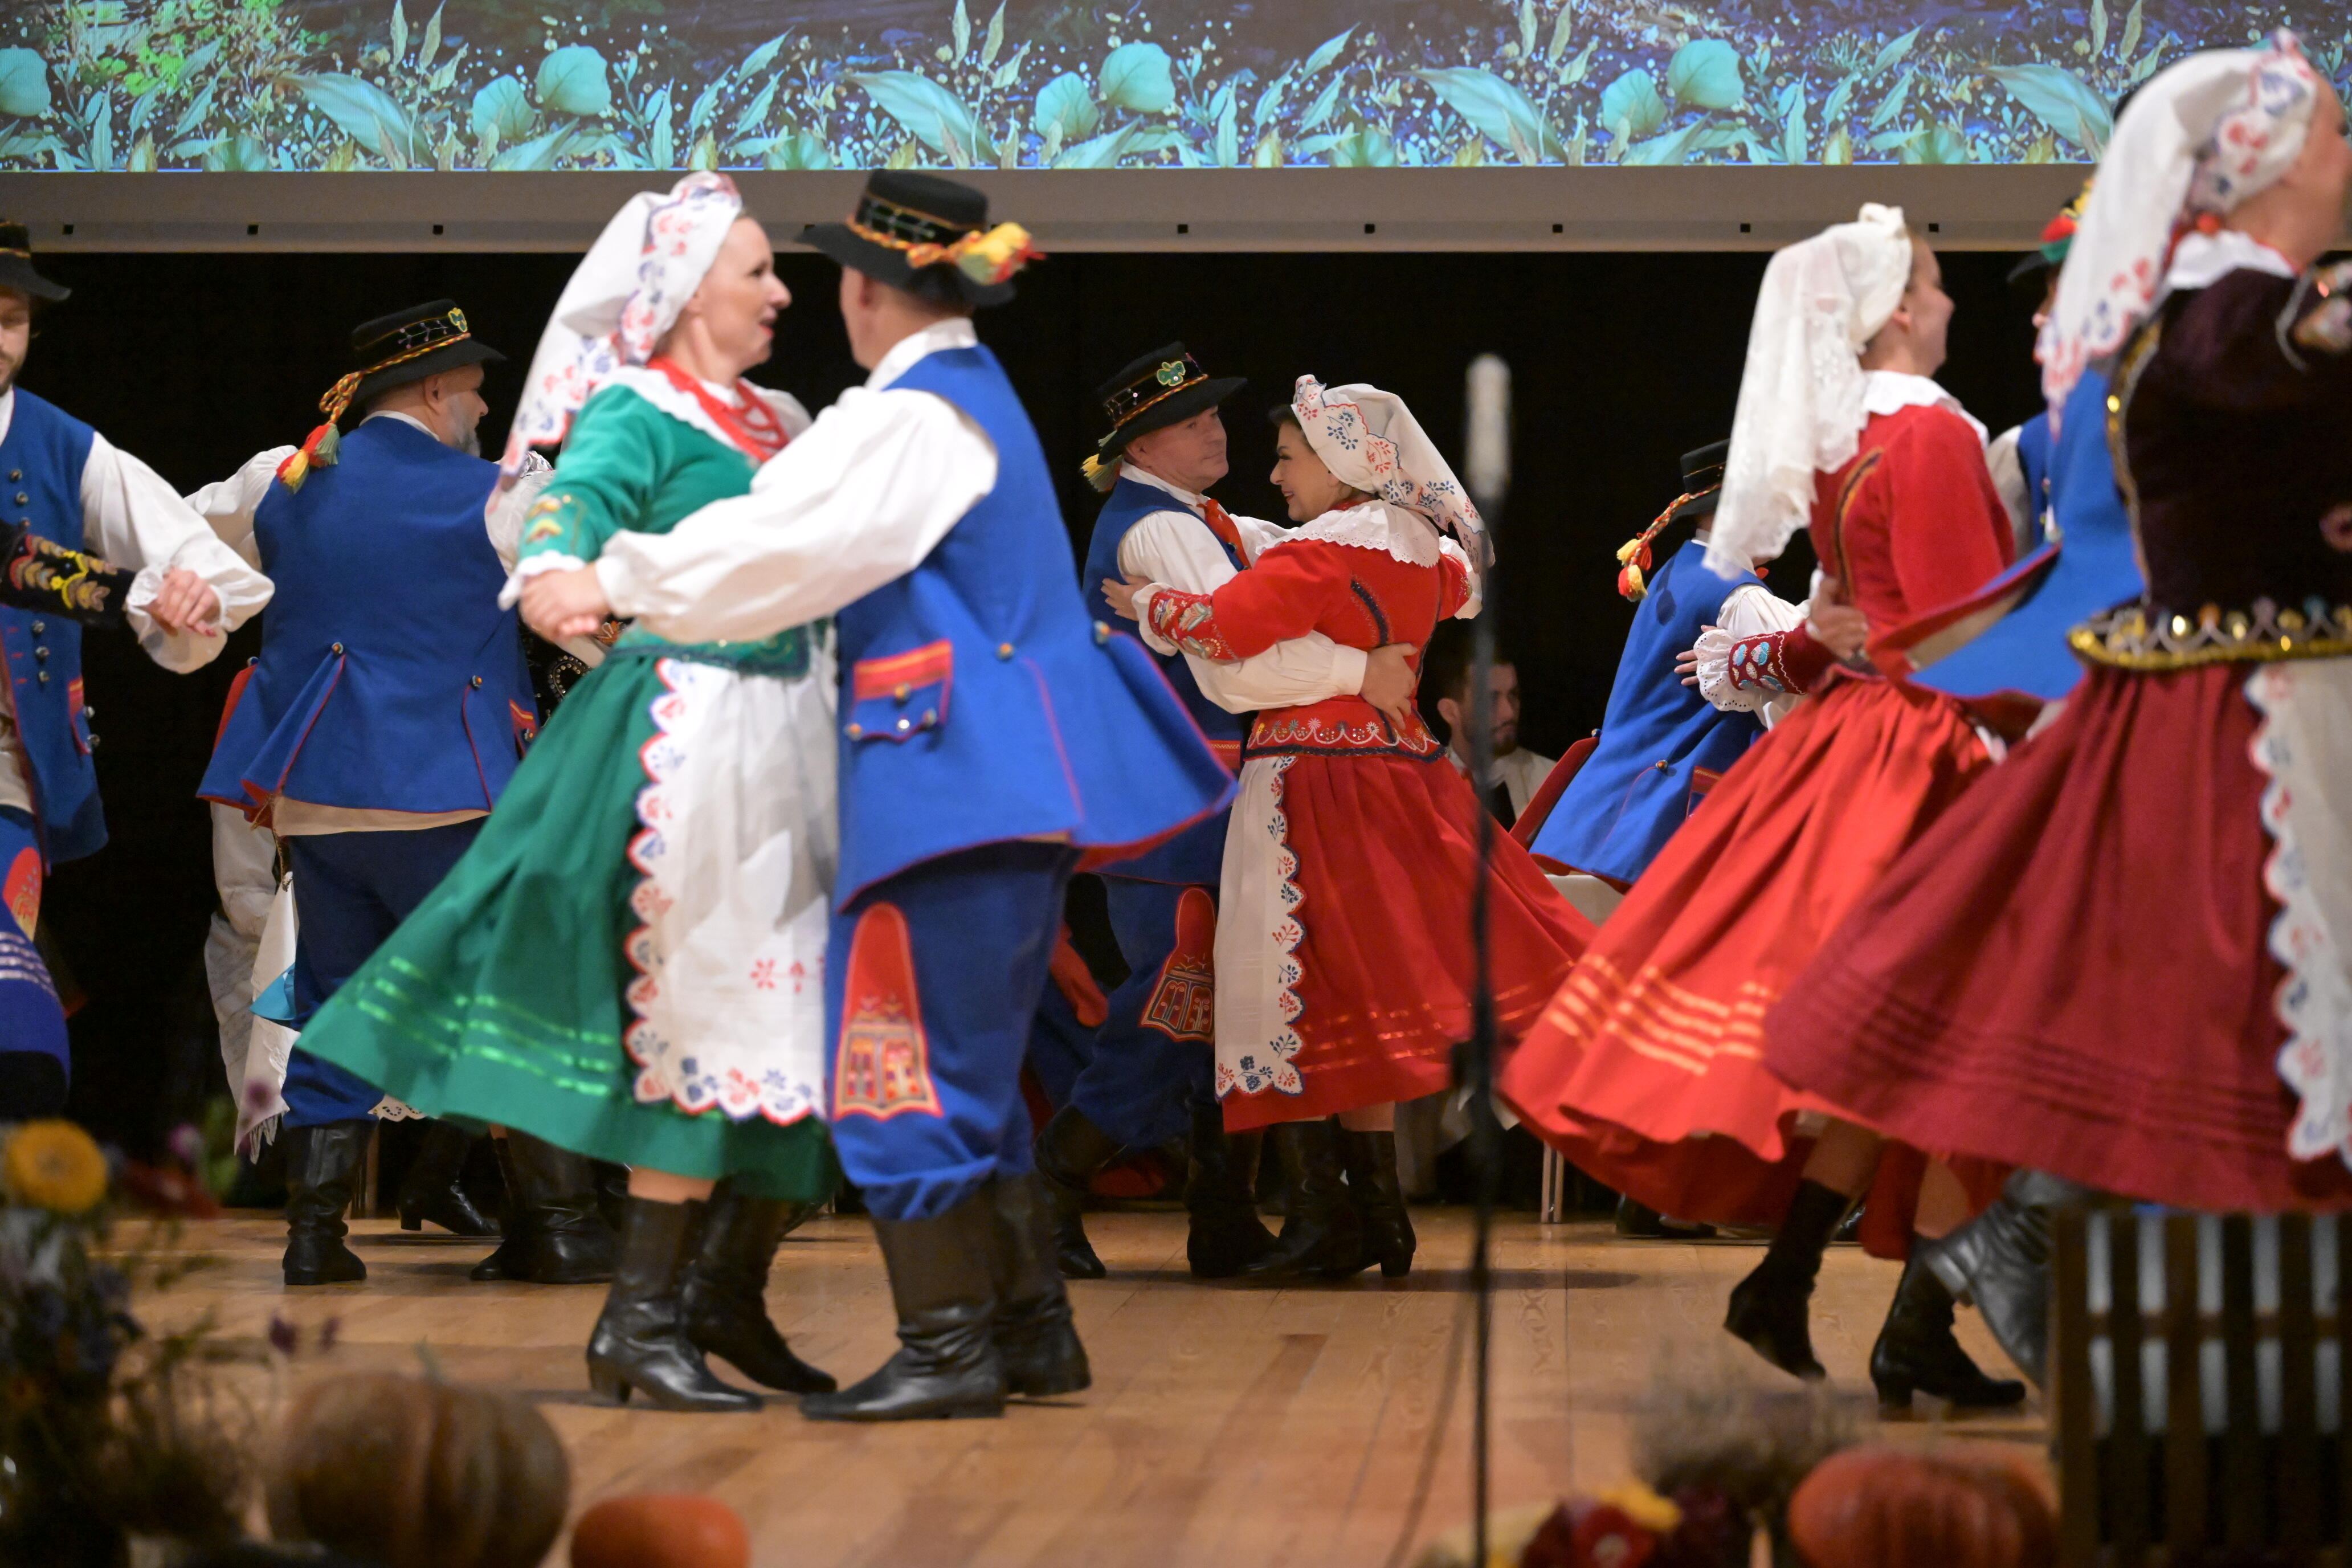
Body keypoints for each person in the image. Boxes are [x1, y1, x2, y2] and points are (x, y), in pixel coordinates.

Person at [519, 171, 1236, 1420]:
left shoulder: (912, 416)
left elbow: (786, 549)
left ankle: (947, 1347)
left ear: (866, 288)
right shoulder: (962, 397)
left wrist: (607, 577)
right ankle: (1029, 1329)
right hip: (992, 787)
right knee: (970, 1068)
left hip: (945, 789)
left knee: (897, 1068)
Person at [1769, 35, 2352, 1388]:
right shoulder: (2242, 329)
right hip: (2232, 715)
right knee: (2204, 1020)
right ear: (2260, 164)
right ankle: (2097, 1318)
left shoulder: (2195, 330)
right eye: (2332, 131)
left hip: (2168, 695)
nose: (2346, 154)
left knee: (2179, 1018)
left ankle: (2004, 1277)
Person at [296, 174, 838, 1412]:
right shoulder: (637, 410)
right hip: (688, 731)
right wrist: (556, 576)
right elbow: (570, 514)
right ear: (685, 294)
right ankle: (642, 1317)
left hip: (788, 730)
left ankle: (716, 1294)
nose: (779, 291)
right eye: (755, 269)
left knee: (792, 1035)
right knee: (704, 1020)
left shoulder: (781, 418)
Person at [1499, 205, 2028, 1413]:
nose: (1952, 301)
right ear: (1900, 309)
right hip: (1924, 747)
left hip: (1853, 744)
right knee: (1971, 1042)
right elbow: (1960, 632)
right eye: (1937, 282)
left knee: (1897, 1044)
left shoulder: (1847, 443)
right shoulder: (1933, 433)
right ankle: (1906, 1317)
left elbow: (1826, 629)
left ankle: (1796, 1283)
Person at [1105, 376, 1592, 1281]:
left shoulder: (1318, 556)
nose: (1276, 475)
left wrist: (1149, 606)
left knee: (1283, 988)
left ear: (1338, 464)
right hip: (1400, 775)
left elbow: (1226, 630)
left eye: (1289, 458)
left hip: (1308, 777)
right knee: (1364, 996)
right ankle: (1380, 1216)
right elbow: (1463, 577)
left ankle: (1324, 1219)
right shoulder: (1420, 551)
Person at [190, 301, 616, 1288]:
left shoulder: (278, 481)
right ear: (432, 389)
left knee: (336, 1002)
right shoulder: (503, 494)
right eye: (474, 389)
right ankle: (556, 1226)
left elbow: (178, 545)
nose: (484, 409)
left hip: (318, 796)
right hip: (446, 792)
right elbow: (588, 622)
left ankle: (314, 1236)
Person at [1036, 343, 1418, 1280]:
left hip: (1200, 797)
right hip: (1169, 805)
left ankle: (1222, 1213)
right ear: (1140, 446)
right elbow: (1233, 662)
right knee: (1178, 1003)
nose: (1216, 430)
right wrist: (1358, 669)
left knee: (1229, 1004)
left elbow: (1307, 553)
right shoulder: (1156, 534)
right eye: (1191, 420)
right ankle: (1043, 1190)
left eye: (1214, 412)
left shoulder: (1207, 524)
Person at [0, 224, 271, 1118]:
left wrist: (189, 592)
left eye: (10, 319)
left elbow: (206, 564)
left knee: (16, 1026)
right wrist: (135, 592)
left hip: (5, 777)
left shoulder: (60, 444)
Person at [1531, 442, 1867, 888]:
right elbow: (1818, 683)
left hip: (1609, 811)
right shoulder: (1737, 595)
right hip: (1665, 823)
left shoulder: (1682, 570)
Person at [1423, 627, 1553, 826]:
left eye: (1513, 695)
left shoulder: (1551, 783)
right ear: (1450, 712)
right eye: (1490, 699)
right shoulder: (1424, 788)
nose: (1509, 713)